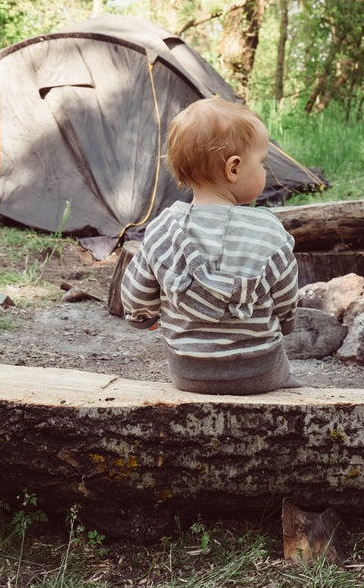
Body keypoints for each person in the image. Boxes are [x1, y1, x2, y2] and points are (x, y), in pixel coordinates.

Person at [120, 97, 301, 395]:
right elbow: (286, 301)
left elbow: (135, 299)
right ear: (234, 168)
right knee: (285, 371)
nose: (266, 172)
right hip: (260, 370)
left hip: (189, 373)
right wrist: (286, 322)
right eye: (263, 162)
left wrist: (145, 318)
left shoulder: (162, 230)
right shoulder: (269, 230)